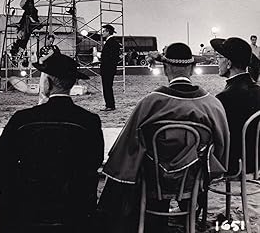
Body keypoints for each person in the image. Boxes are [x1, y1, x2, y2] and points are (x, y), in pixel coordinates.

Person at [98, 42, 230, 233]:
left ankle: (154, 220)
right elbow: (221, 145)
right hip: (193, 178)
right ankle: (190, 213)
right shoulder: (212, 104)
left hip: (155, 179)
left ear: (165, 68)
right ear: (192, 69)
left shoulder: (151, 102)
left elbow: (126, 145)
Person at [0, 51, 104, 233]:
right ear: (72, 84)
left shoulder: (22, 120)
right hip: (72, 212)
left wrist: (17, 189)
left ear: (47, 83)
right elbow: (93, 162)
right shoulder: (89, 121)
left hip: (26, 212)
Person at [210, 37, 260, 174]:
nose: (217, 62)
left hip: (234, 164)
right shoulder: (258, 91)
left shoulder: (224, 98)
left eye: (219, 57)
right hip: (256, 162)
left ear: (229, 63)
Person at [100, 24, 120, 111]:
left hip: (107, 68)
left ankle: (109, 105)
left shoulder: (111, 42)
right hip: (110, 68)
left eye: (104, 31)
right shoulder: (113, 42)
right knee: (108, 86)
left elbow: (109, 57)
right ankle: (109, 104)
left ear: (108, 32)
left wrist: (100, 57)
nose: (102, 33)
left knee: (107, 87)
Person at [38, 34, 61, 104]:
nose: (51, 43)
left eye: (52, 41)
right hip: (45, 69)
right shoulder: (43, 49)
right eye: (50, 41)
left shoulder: (56, 48)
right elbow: (41, 60)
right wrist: (49, 55)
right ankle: (42, 102)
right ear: (47, 40)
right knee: (43, 86)